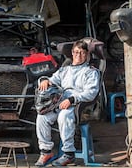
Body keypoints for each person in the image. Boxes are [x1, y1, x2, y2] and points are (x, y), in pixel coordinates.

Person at [35, 39, 100, 167]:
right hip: (60, 102)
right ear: (72, 53)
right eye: (76, 52)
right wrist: (44, 80)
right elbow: (52, 79)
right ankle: (46, 151)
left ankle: (68, 153)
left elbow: (91, 93)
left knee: (64, 116)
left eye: (81, 53)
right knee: (42, 117)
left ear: (86, 54)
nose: (78, 55)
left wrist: (72, 99)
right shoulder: (65, 70)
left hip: (80, 106)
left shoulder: (91, 72)